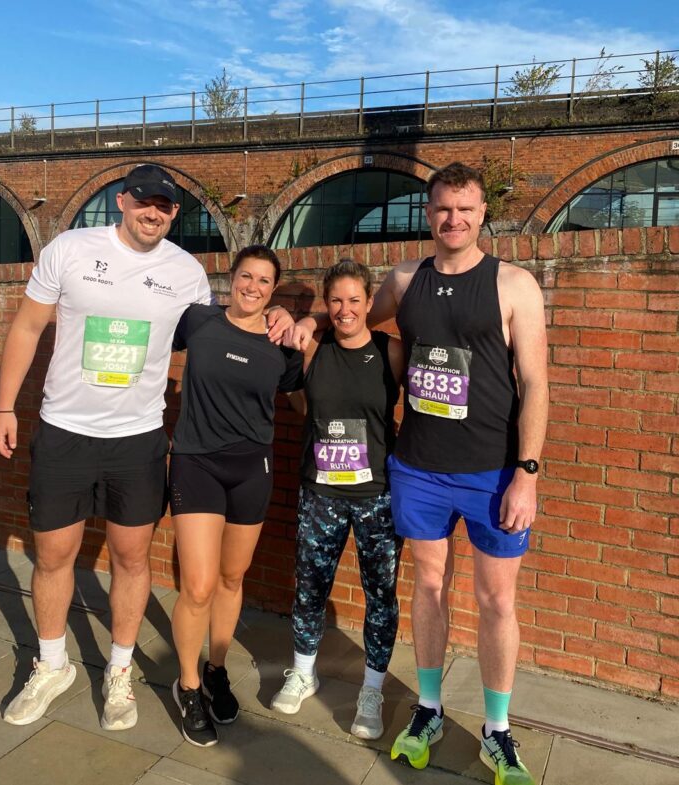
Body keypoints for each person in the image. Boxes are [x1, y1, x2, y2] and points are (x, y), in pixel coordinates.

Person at [0, 165, 292, 731]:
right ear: (122, 201)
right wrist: (5, 406)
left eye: (166, 206)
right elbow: (29, 326)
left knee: (132, 560)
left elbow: (227, 323)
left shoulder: (186, 273)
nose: (154, 212)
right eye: (145, 201)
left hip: (139, 438)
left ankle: (120, 674)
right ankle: (52, 664)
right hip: (65, 430)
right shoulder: (70, 249)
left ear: (175, 213)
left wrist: (280, 314)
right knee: (54, 557)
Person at [291, 162, 548, 785]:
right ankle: (428, 710)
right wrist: (308, 322)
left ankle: (497, 729)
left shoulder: (514, 285)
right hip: (417, 468)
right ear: (428, 214)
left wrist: (528, 473)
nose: (453, 219)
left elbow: (536, 381)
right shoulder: (406, 280)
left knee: (496, 600)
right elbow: (349, 315)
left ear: (482, 214)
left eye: (465, 209)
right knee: (429, 588)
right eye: (442, 209)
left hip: (491, 471)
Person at [168, 245, 303, 748]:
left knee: (230, 578)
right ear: (231, 277)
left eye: (265, 282)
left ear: (274, 291)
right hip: (196, 462)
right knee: (198, 586)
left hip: (252, 469)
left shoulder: (281, 343)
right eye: (246, 276)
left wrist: (298, 323)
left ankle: (217, 669)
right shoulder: (198, 321)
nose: (253, 287)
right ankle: (187, 685)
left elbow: (301, 392)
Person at [269, 259, 405, 741]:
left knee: (380, 594)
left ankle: (372, 688)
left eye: (354, 300)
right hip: (321, 492)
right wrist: (310, 323)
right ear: (326, 305)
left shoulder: (391, 351)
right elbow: (299, 402)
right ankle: (304, 672)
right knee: (310, 586)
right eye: (335, 301)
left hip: (377, 497)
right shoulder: (312, 348)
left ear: (370, 304)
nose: (345, 310)